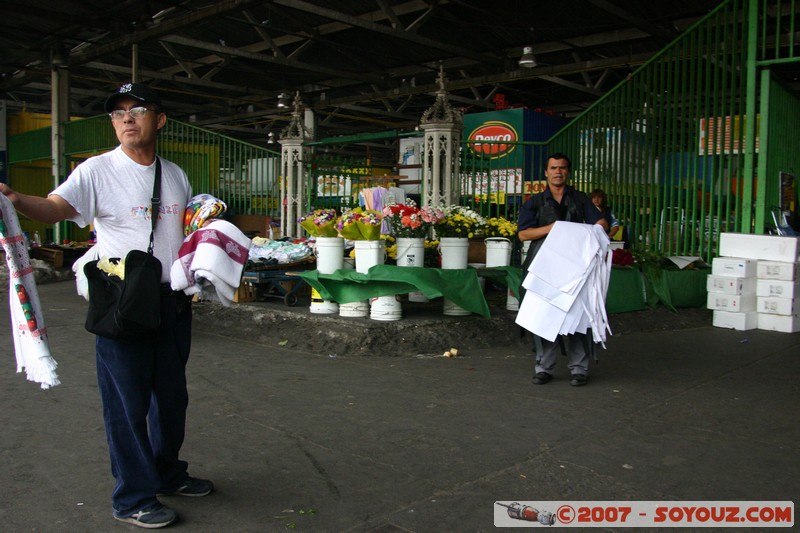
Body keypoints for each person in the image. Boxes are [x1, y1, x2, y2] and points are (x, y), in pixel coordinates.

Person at [0, 82, 212, 529]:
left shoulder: (174, 174)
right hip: (123, 303)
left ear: (160, 119)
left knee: (171, 399)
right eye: (118, 114)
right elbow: (55, 207)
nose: (127, 119)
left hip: (171, 302)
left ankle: (168, 472)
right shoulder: (96, 170)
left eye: (137, 110)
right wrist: (17, 201)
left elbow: (185, 231)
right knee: (127, 404)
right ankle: (133, 496)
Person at [517, 153, 609, 387]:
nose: (558, 171)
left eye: (563, 168)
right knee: (542, 317)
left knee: (578, 317)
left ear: (568, 172)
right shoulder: (534, 202)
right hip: (543, 268)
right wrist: (552, 228)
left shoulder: (580, 200)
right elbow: (523, 234)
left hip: (576, 269)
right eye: (554, 168)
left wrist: (600, 227)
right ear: (546, 172)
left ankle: (579, 369)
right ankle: (544, 368)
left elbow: (601, 222)